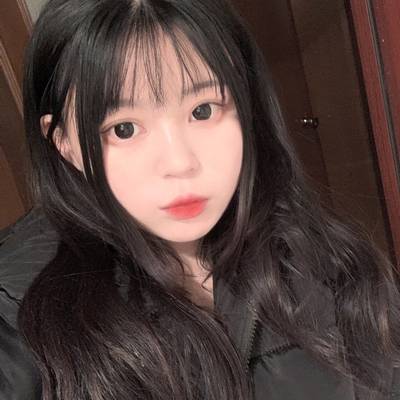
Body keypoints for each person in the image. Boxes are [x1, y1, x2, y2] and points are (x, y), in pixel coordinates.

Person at [0, 0, 399, 398]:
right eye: (123, 129)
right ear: (65, 143)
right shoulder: (19, 322)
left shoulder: (323, 255)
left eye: (203, 110)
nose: (181, 162)